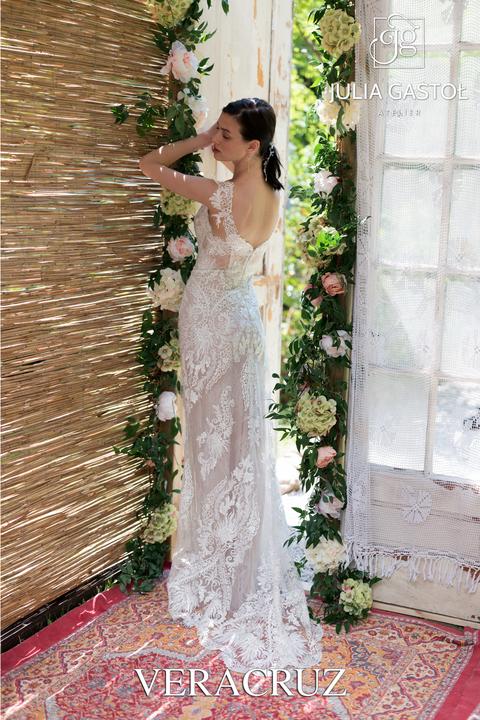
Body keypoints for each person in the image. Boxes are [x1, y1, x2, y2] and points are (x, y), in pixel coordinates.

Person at [139, 97, 323, 674]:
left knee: (211, 447)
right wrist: (211, 139)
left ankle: (222, 573)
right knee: (238, 446)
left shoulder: (217, 193)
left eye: (224, 135)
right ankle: (237, 570)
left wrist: (193, 143)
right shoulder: (271, 192)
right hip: (243, 321)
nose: (215, 141)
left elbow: (149, 163)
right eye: (213, 132)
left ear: (252, 145)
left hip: (211, 324)